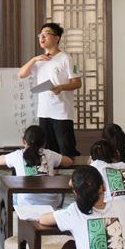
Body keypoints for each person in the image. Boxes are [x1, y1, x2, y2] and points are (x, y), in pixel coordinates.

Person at [18, 22, 82, 157]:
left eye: (46, 35)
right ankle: (53, 178)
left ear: (57, 38)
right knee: (48, 152)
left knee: (66, 150)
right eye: (40, 35)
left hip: (62, 112)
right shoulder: (39, 60)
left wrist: (60, 87)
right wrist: (34, 59)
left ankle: (71, 178)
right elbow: (21, 74)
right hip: (44, 112)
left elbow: (77, 83)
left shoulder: (65, 58)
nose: (42, 38)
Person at [0, 124, 73, 208]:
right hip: (51, 203)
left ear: (23, 141)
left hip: (26, 203)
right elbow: (69, 161)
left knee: (12, 192)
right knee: (60, 184)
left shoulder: (17, 155)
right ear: (44, 142)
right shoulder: (50, 154)